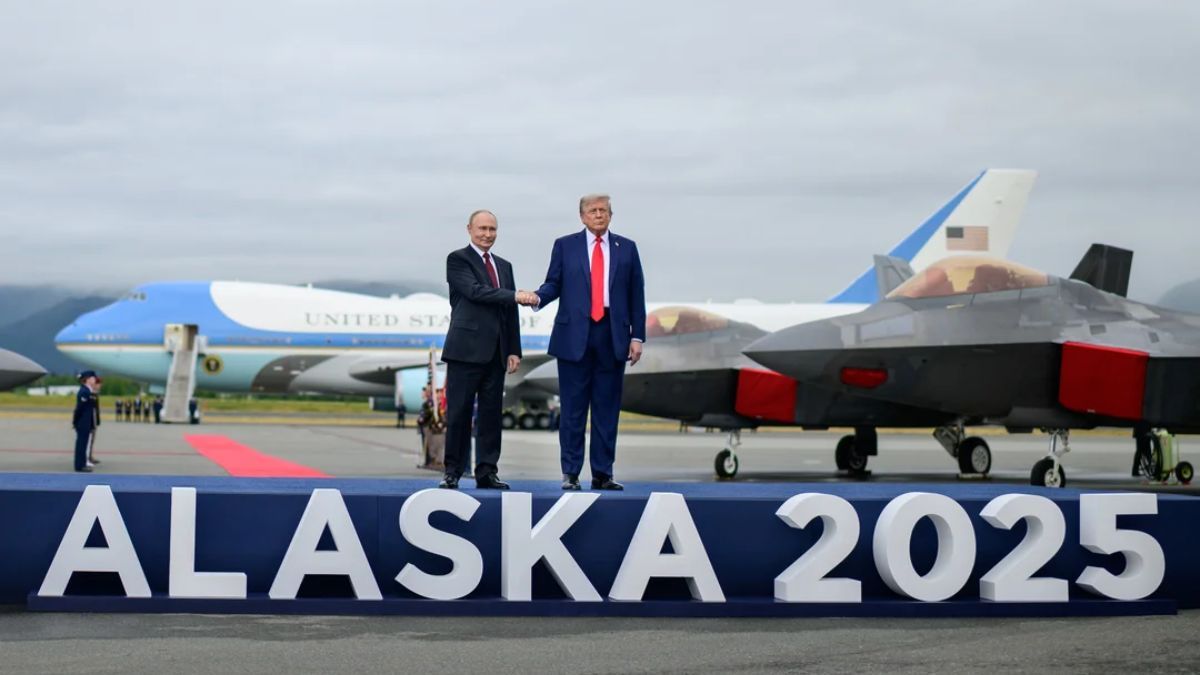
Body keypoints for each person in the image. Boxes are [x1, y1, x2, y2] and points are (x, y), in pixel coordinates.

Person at [531, 194, 646, 491]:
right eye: (592, 211)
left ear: (611, 215)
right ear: (582, 216)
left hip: (612, 335)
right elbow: (554, 283)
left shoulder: (627, 249)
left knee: (607, 409)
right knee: (572, 409)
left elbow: (637, 295)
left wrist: (637, 336)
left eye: (603, 210)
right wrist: (537, 298)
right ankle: (570, 472)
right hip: (574, 337)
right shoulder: (565, 245)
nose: (598, 215)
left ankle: (602, 473)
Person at [438, 209, 524, 490]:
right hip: (465, 350)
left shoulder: (505, 266)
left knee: (490, 416)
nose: (488, 235)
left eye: (492, 230)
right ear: (469, 229)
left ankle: (487, 472)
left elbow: (510, 312)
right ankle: (453, 471)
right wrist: (515, 295)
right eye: (482, 229)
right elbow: (475, 291)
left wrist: (514, 349)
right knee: (459, 413)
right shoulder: (458, 260)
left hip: (497, 352)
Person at [71, 371, 102, 473]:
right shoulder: (84, 392)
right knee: (81, 445)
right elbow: (79, 409)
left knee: (83, 445)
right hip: (82, 423)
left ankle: (82, 464)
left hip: (86, 423)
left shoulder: (88, 391)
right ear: (88, 379)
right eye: (93, 378)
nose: (95, 380)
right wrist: (75, 422)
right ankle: (79, 466)